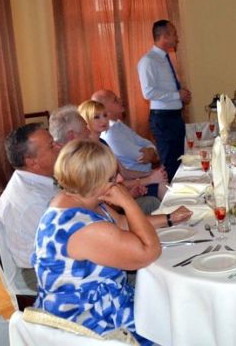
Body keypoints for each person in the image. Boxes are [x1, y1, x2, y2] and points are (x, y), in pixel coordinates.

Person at [33, 140, 191, 344]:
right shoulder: (86, 229)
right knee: (178, 324)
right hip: (89, 323)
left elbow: (122, 224)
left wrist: (169, 218)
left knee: (175, 306)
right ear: (93, 182)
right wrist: (127, 202)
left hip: (100, 301)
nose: (120, 179)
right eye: (112, 177)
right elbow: (149, 251)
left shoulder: (73, 199)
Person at [0, 123, 61, 288]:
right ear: (32, 162)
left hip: (52, 256)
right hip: (41, 273)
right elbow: (61, 245)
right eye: (51, 146)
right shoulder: (33, 201)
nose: (59, 147)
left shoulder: (32, 179)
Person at [78, 100, 166, 212]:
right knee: (158, 193)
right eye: (97, 117)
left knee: (162, 186)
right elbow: (110, 185)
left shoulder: (103, 143)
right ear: (85, 120)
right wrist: (150, 179)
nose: (104, 120)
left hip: (123, 192)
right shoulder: (88, 150)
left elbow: (124, 172)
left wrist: (151, 173)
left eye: (105, 115)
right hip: (109, 204)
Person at [137, 19, 191, 180]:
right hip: (163, 119)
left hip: (174, 117)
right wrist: (177, 95)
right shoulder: (148, 61)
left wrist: (181, 94)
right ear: (164, 36)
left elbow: (166, 87)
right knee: (170, 162)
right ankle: (170, 193)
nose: (177, 38)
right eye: (174, 34)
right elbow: (148, 92)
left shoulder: (165, 59)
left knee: (180, 159)